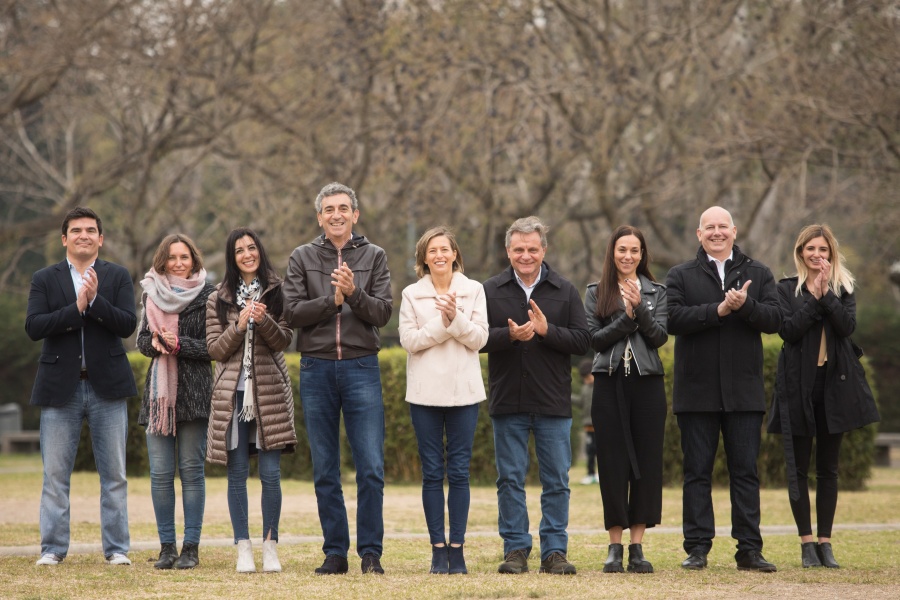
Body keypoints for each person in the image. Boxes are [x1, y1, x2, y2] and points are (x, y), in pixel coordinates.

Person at [283, 182, 393, 575]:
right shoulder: (302, 257)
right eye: (329, 209)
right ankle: (335, 552)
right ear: (319, 217)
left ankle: (371, 553)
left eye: (343, 208)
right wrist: (331, 302)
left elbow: (382, 313)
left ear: (355, 214)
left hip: (362, 366)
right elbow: (292, 313)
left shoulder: (375, 256)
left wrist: (353, 294)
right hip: (316, 368)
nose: (336, 215)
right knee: (326, 468)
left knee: (370, 468)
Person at [666, 206, 781, 572]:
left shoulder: (758, 272)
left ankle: (749, 549)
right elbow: (671, 320)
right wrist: (716, 310)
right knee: (696, 472)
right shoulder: (680, 275)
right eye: (709, 228)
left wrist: (746, 306)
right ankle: (697, 547)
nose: (716, 233)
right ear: (698, 235)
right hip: (696, 392)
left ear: (735, 230)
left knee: (745, 472)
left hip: (743, 392)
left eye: (722, 227)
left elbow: (777, 319)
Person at [26, 206, 137, 566]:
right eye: (76, 231)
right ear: (65, 239)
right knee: (55, 475)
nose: (84, 235)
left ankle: (117, 549)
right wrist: (77, 307)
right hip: (61, 389)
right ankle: (53, 549)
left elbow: (127, 325)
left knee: (115, 475)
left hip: (108, 387)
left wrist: (95, 301)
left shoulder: (117, 276)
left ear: (101, 239)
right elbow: (34, 326)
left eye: (91, 230)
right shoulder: (45, 278)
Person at [481, 216, 590, 576]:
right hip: (507, 399)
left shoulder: (565, 290)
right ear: (507, 251)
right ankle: (515, 549)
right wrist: (508, 337)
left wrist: (547, 331)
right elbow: (477, 339)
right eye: (518, 250)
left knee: (557, 480)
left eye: (532, 249)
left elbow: (583, 341)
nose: (525, 255)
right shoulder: (490, 289)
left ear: (544, 250)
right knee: (510, 479)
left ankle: (554, 551)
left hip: (552, 402)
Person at [767, 224, 879, 569]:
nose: (818, 255)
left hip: (835, 387)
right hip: (798, 387)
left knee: (828, 469)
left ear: (831, 253)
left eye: (823, 249)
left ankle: (826, 542)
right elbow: (788, 331)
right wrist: (813, 299)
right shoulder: (787, 289)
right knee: (798, 468)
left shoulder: (844, 288)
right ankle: (805, 543)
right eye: (811, 249)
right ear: (801, 252)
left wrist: (827, 294)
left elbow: (846, 327)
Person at [206, 228, 297, 573]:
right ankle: (243, 545)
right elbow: (215, 349)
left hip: (269, 394)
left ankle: (269, 545)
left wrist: (265, 320)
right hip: (233, 396)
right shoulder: (218, 297)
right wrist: (240, 325)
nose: (247, 254)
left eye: (252, 247)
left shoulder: (278, 291)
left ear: (260, 251)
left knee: (271, 474)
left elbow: (284, 340)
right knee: (237, 474)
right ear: (232, 257)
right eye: (240, 250)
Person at [398, 226, 488, 575]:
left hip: (464, 393)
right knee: (432, 472)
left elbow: (479, 339)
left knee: (460, 472)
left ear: (455, 254)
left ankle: (458, 548)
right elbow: (409, 340)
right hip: (424, 394)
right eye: (432, 250)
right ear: (423, 257)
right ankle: (438, 549)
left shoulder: (474, 290)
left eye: (445, 249)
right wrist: (445, 322)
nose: (439, 255)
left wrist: (456, 318)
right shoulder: (411, 294)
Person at [584, 225, 668, 574]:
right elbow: (595, 340)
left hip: (647, 385)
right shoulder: (595, 292)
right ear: (612, 252)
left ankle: (637, 546)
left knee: (647, 464)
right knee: (613, 464)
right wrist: (627, 316)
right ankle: (614, 546)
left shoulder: (657, 291)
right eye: (622, 250)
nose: (628, 256)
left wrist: (641, 310)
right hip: (609, 383)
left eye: (635, 250)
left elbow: (660, 336)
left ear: (642, 254)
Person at [137, 234, 214, 570]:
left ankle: (191, 548)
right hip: (158, 397)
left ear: (193, 259)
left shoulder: (208, 294)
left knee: (192, 473)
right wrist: (156, 343)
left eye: (184, 257)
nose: (178, 263)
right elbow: (141, 342)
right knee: (160, 474)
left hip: (195, 393)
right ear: (162, 261)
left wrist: (179, 344)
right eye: (172, 257)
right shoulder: (151, 291)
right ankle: (167, 547)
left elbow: (215, 346)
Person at [574, 360, 597, 486]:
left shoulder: (601, 387)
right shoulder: (584, 388)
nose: (587, 380)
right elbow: (581, 403)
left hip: (600, 425)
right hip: (588, 425)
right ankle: (590, 474)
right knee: (590, 451)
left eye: (588, 377)